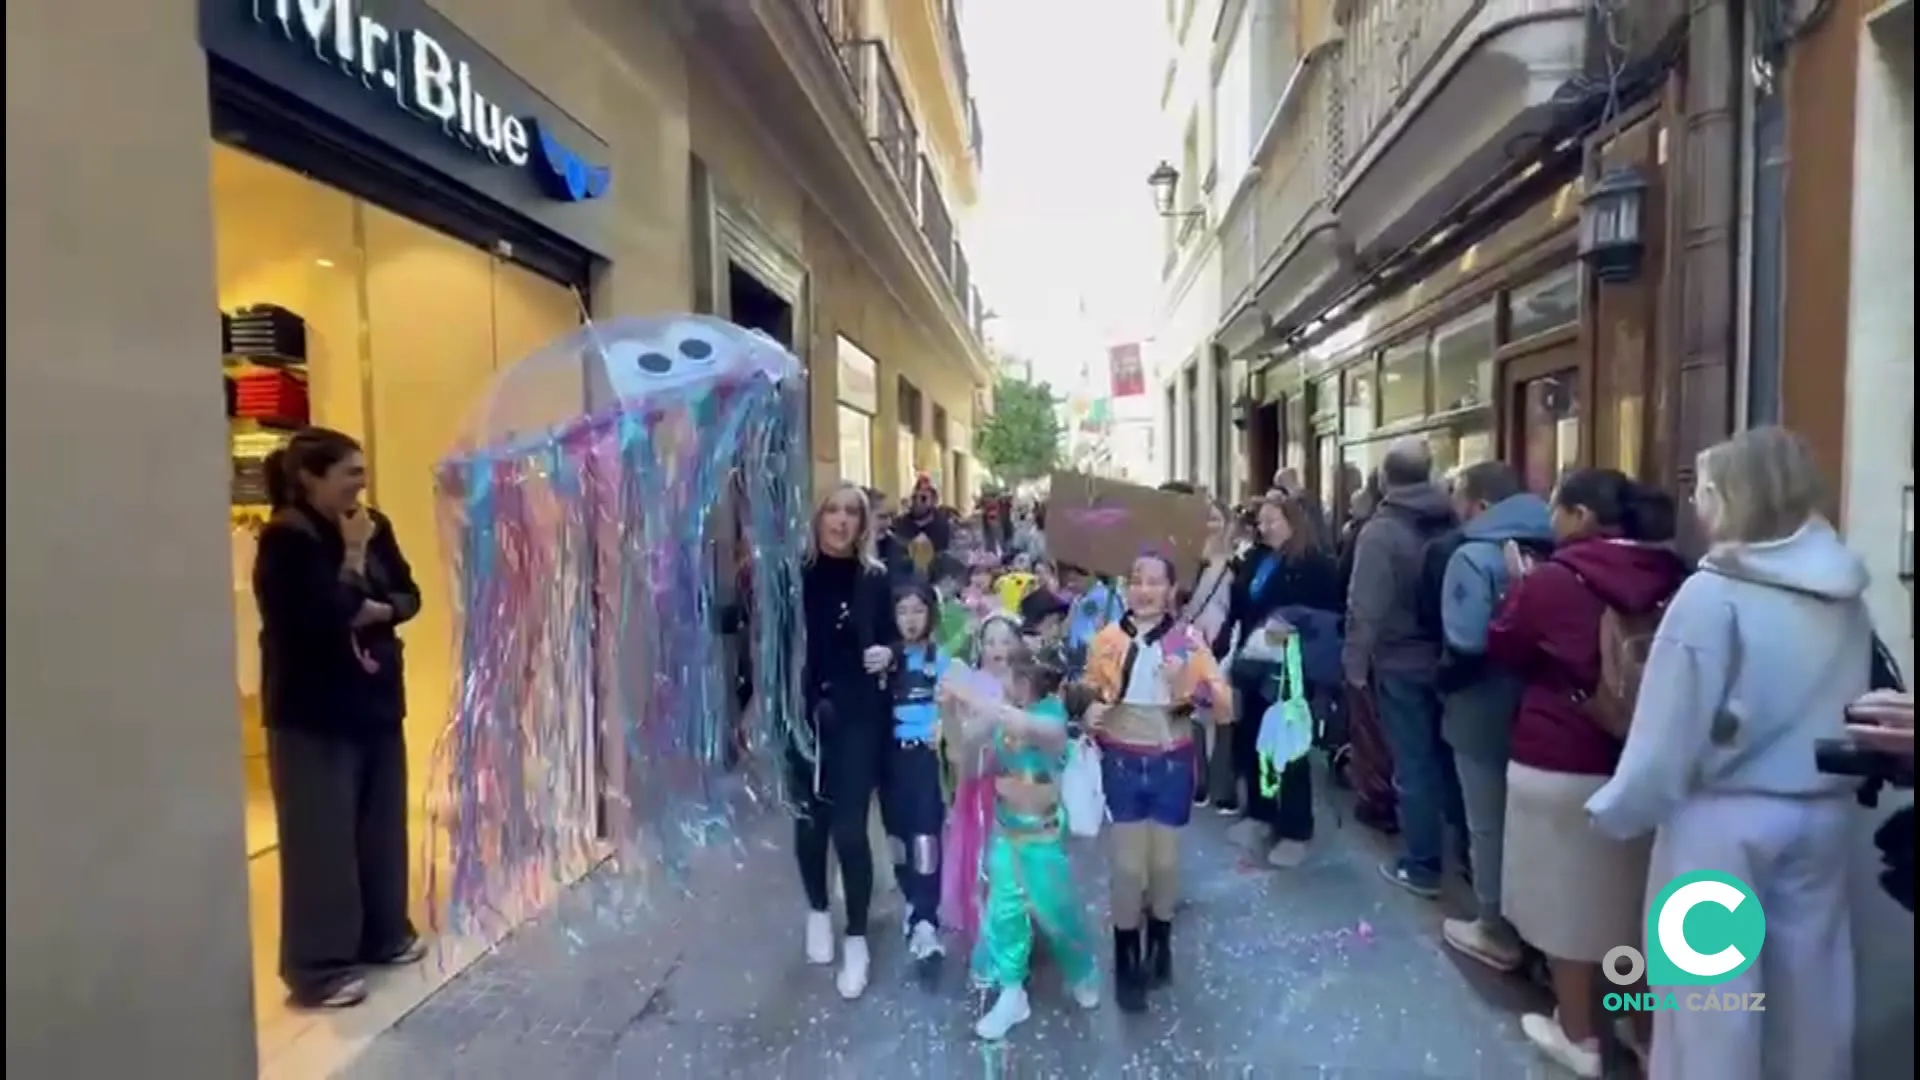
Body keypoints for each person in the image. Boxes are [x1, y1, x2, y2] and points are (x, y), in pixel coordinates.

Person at [1587, 428, 1864, 1080]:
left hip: (1719, 821)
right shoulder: (1846, 594)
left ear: (1737, 497)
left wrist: (1617, 811)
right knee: (1812, 992)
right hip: (1821, 810)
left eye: (1706, 491)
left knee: (1710, 1005)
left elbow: (1668, 732)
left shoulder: (1713, 594)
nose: (1698, 507)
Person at [1486, 468, 1688, 1077]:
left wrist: (1516, 592)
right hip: (1645, 759)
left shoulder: (1552, 580)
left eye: (1556, 509)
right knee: (1632, 908)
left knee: (1565, 906)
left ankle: (1580, 1037)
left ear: (1578, 515)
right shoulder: (1676, 574)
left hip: (1561, 752)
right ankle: (1645, 1035)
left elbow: (1503, 647)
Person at [252, 427, 425, 1009]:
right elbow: (323, 614)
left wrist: (376, 608)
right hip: (312, 710)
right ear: (310, 479)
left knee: (380, 828)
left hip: (374, 699)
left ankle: (384, 934)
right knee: (320, 839)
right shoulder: (285, 539)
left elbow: (408, 595)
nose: (362, 481)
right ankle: (319, 968)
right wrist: (352, 558)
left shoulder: (377, 523)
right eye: (350, 471)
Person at [1083, 554, 1233, 1013]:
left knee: (1164, 866)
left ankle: (1161, 942)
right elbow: (1089, 691)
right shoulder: (1107, 639)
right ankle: (1126, 956)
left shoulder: (1186, 641)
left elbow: (1222, 707)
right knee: (1129, 869)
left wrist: (1185, 692)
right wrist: (1088, 710)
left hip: (1171, 763)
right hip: (1123, 761)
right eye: (1136, 580)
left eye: (1154, 582)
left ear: (1171, 589)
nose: (1143, 590)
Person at [1429, 462, 1556, 972]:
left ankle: (1494, 927)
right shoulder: (1554, 546)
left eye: (1459, 494)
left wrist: (1442, 683)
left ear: (1480, 503)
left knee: (1487, 821)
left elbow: (1465, 641)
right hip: (1543, 705)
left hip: (1482, 704)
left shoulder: (1472, 556)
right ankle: (1540, 933)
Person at [942, 653, 1103, 1038]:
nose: (1011, 678)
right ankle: (1013, 994)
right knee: (1004, 914)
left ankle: (1081, 970)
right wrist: (951, 712)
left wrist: (972, 696)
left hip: (1045, 838)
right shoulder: (1002, 717)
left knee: (1058, 913)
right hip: (1006, 834)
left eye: (1017, 672)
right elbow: (967, 760)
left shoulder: (1051, 717)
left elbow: (1031, 729)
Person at [780, 482, 897, 1000]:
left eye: (853, 512)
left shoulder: (875, 578)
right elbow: (766, 634)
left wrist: (889, 653)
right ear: (818, 517)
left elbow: (909, 628)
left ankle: (857, 941)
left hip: (858, 714)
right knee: (811, 821)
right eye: (833, 510)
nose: (842, 520)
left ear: (863, 522)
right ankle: (817, 912)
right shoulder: (791, 577)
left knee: (850, 829)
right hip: (802, 714)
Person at [1343, 438, 1461, 896]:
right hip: (1455, 657)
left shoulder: (1381, 530)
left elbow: (1364, 607)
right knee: (1449, 759)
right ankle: (1465, 857)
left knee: (1413, 763)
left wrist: (1354, 666)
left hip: (1400, 660)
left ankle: (1423, 864)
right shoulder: (1452, 516)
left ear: (1384, 479)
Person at [1214, 493, 1342, 862]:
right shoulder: (1257, 558)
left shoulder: (1314, 563)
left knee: (1289, 745)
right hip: (1255, 662)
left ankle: (1295, 829)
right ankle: (1260, 813)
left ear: (1293, 521)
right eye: (1262, 522)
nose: (1266, 527)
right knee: (1253, 739)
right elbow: (1241, 605)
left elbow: (1326, 619)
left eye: (1274, 521)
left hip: (1292, 667)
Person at [880, 581, 952, 975]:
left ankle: (927, 916)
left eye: (918, 610)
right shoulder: (884, 658)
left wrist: (944, 726)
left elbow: (955, 705)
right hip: (889, 761)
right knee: (898, 837)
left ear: (930, 614)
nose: (910, 619)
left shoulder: (939, 658)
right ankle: (911, 897)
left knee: (926, 835)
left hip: (925, 760)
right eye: (903, 610)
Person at [1184, 498, 1238, 808]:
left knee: (1221, 714)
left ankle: (1222, 788)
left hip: (1223, 645)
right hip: (1190, 643)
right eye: (1205, 519)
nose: (1210, 525)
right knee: (1194, 713)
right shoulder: (1187, 560)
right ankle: (1199, 782)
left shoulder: (1236, 562)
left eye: (1216, 518)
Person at [894, 475, 955, 557]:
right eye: (914, 498)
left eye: (923, 498)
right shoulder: (900, 524)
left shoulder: (944, 524)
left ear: (934, 500)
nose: (917, 502)